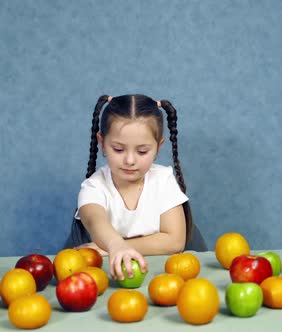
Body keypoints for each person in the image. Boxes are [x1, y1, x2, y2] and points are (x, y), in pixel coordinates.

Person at [64, 94, 207, 281]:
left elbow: (174, 241)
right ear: (102, 143)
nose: (130, 160)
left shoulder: (163, 180)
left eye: (142, 151)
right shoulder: (94, 187)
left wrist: (109, 248)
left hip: (164, 278)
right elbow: (95, 220)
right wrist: (113, 245)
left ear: (158, 146)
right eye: (118, 149)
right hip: (105, 279)